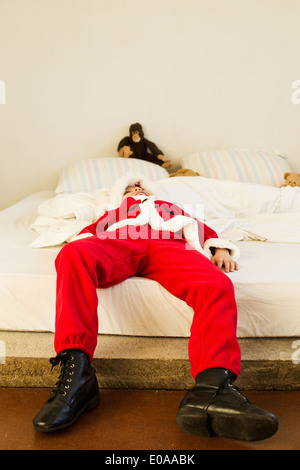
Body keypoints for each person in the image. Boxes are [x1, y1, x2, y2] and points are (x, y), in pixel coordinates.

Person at [33, 174, 278, 441]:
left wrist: (220, 249)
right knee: (72, 255)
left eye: (140, 185)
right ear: (119, 194)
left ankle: (212, 387)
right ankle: (77, 373)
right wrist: (83, 246)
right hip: (122, 243)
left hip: (169, 246)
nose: (136, 188)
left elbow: (200, 227)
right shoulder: (113, 212)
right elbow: (87, 236)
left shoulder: (167, 206)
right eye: (129, 187)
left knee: (217, 284)